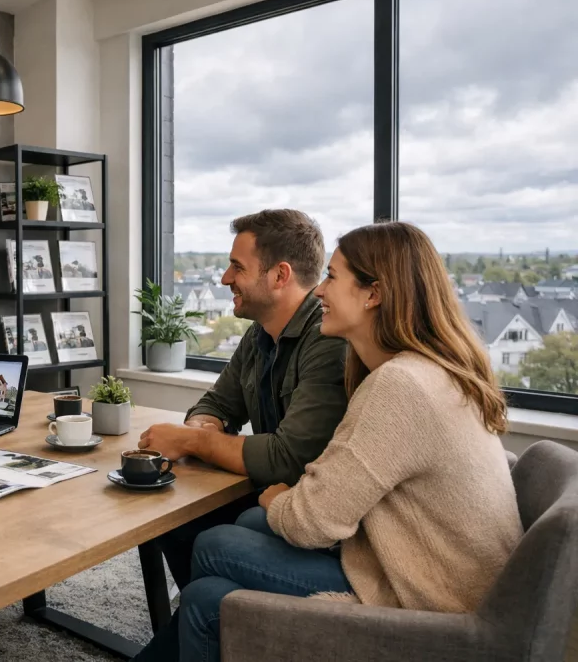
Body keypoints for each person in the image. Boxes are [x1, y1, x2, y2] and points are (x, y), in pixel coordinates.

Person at [135, 221, 524, 662]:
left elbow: (313, 519)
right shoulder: (416, 371)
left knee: (212, 566)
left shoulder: (401, 386)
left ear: (373, 294)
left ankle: (213, 631)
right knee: (236, 539)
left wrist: (276, 498)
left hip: (429, 601)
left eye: (333, 278)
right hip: (415, 566)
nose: (319, 291)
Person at [138, 209, 348, 589]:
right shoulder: (259, 333)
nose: (224, 278)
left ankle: (215, 610)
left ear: (280, 275)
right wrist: (203, 425)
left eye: (237, 267)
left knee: (192, 522)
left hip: (302, 507)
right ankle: (207, 612)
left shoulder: (327, 339)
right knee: (169, 510)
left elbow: (289, 458)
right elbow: (217, 402)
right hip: (264, 488)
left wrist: (192, 440)